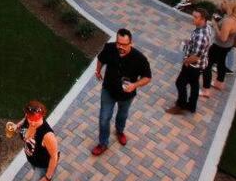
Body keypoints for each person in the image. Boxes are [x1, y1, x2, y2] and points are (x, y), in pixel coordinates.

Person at [91, 28, 152, 156]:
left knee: (122, 115)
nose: (120, 47)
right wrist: (98, 70)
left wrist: (134, 85)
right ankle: (103, 143)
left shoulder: (139, 58)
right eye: (118, 43)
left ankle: (119, 131)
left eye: (124, 44)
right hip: (108, 89)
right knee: (104, 118)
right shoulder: (109, 48)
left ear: (131, 43)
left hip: (126, 94)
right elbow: (101, 58)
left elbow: (147, 77)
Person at [10, 100, 60, 181]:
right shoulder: (29, 118)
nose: (32, 122)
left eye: (35, 120)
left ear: (42, 115)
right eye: (29, 119)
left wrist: (48, 177)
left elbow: (54, 157)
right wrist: (17, 126)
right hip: (33, 161)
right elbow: (25, 121)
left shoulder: (47, 135)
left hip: (43, 166)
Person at [166, 9, 212, 115]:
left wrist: (186, 61)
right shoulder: (206, 27)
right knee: (194, 84)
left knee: (180, 83)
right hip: (200, 64)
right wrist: (190, 42)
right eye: (193, 16)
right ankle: (191, 106)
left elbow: (195, 57)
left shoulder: (201, 36)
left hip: (193, 65)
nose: (193, 19)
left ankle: (181, 105)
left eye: (196, 17)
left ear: (203, 19)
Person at [201, 0, 236, 96]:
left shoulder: (228, 20)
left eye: (224, 2)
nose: (221, 3)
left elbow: (223, 38)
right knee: (221, 62)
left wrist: (215, 25)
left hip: (219, 46)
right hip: (228, 45)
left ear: (229, 5)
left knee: (207, 65)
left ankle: (206, 90)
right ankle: (219, 83)